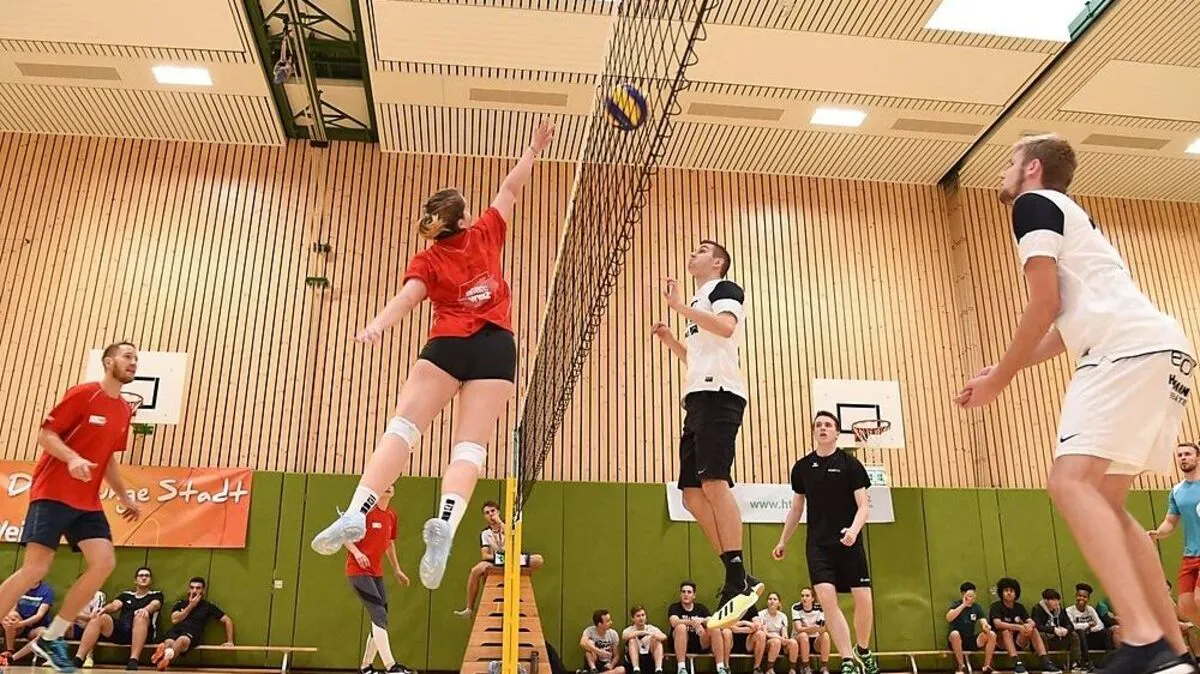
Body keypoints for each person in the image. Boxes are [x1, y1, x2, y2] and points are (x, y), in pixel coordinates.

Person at [955, 133, 1196, 674]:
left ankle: (1142, 639)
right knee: (1107, 501)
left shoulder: (1031, 203)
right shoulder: (1075, 220)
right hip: (1163, 352)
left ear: (1032, 167)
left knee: (1068, 482)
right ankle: (1175, 656)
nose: (1002, 173)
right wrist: (1001, 371)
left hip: (1125, 352)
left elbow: (1045, 304)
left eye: (1008, 163)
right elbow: (1065, 328)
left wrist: (1000, 382)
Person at [310, 122, 557, 593]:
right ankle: (446, 519)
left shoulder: (427, 259)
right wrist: (532, 148)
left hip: (447, 344)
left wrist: (377, 326)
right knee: (469, 448)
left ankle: (358, 511)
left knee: (403, 429)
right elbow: (511, 187)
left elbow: (407, 299)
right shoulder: (485, 231)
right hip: (497, 347)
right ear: (464, 219)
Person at [0, 342, 143, 672]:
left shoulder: (124, 411)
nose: (133, 362)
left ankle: (52, 637)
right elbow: (46, 434)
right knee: (35, 570)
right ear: (109, 362)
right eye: (127, 356)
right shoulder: (83, 394)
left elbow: (108, 460)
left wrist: (124, 496)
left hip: (87, 502)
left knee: (104, 561)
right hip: (52, 492)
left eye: (136, 358)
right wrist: (73, 457)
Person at [652, 240, 762, 628]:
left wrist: (681, 307)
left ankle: (736, 576)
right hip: (697, 398)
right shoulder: (698, 302)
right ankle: (738, 575)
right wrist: (672, 341)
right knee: (691, 494)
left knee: (714, 482)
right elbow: (699, 355)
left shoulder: (724, 290)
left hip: (722, 396)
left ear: (717, 262)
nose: (692, 253)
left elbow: (728, 329)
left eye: (700, 250)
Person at [774, 411, 879, 674]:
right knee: (827, 599)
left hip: (848, 541)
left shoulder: (850, 464)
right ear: (814, 431)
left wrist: (854, 531)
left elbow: (864, 506)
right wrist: (782, 540)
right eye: (818, 425)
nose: (823, 428)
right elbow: (797, 509)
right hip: (818, 546)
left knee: (863, 599)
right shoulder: (802, 468)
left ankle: (862, 649)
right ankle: (846, 658)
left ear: (836, 432)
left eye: (828, 425)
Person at [344, 485, 413, 674]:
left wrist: (397, 570)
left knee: (381, 617)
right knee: (379, 614)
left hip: (376, 573)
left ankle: (366, 667)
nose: (389, 487)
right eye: (385, 484)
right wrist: (357, 553)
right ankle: (391, 666)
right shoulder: (365, 512)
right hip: (358, 572)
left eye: (392, 484)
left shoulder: (391, 515)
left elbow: (389, 543)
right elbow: (344, 535)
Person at [455, 500, 543, 617]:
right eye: (487, 513)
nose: (491, 514)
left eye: (493, 511)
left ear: (499, 512)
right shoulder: (485, 533)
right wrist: (500, 558)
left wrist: (500, 522)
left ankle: (519, 583)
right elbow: (485, 555)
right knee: (476, 570)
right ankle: (469, 608)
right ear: (484, 516)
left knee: (538, 560)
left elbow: (513, 538)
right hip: (498, 561)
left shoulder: (509, 526)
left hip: (513, 559)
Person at [73, 567, 163, 670]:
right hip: (123, 630)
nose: (143, 578)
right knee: (99, 617)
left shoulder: (156, 595)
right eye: (141, 576)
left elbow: (155, 605)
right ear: (135, 580)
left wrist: (145, 609)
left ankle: (133, 660)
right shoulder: (126, 595)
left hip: (143, 632)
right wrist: (103, 609)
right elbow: (114, 606)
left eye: (146, 576)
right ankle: (79, 658)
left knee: (140, 616)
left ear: (151, 580)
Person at [1152, 443, 1200, 632]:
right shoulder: (1177, 491)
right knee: (1186, 605)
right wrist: (1158, 533)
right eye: (1179, 455)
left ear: (1198, 458)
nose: (1183, 458)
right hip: (1190, 555)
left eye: (1187, 454)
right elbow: (1170, 522)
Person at [150, 577, 233, 671]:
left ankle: (164, 656)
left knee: (181, 640)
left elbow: (227, 620)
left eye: (198, 588)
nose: (194, 590)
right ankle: (165, 657)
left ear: (203, 590)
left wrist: (230, 641)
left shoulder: (208, 606)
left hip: (192, 633)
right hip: (177, 629)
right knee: (169, 642)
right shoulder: (181, 603)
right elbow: (174, 620)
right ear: (189, 589)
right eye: (192, 587)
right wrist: (190, 606)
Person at [989, 577, 1055, 674]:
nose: (1009, 593)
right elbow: (997, 624)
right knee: (1006, 631)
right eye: (1006, 590)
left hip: (1018, 641)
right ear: (1001, 593)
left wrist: (1029, 625)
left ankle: (1045, 661)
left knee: (1033, 629)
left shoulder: (1019, 607)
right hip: (1001, 642)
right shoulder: (996, 606)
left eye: (1011, 590)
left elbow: (1031, 621)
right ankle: (1017, 663)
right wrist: (1019, 627)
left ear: (1016, 593)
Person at [667, 582, 726, 674]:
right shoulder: (675, 607)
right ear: (680, 594)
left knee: (715, 628)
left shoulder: (700, 608)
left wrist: (701, 621)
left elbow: (711, 620)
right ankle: (681, 668)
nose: (686, 594)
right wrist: (692, 622)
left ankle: (720, 667)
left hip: (699, 642)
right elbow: (674, 622)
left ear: (694, 595)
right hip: (680, 643)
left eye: (689, 592)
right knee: (681, 627)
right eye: (683, 592)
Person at [946, 582, 996, 674]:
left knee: (992, 634)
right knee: (954, 634)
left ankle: (987, 667)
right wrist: (963, 605)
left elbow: (983, 622)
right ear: (963, 594)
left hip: (970, 640)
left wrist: (986, 627)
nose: (972, 598)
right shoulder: (956, 604)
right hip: (956, 640)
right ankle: (961, 666)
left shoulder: (976, 607)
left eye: (973, 595)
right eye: (969, 595)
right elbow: (949, 618)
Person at [1, 580, 53, 661]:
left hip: (35, 626)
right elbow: (12, 609)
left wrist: (21, 624)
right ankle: (9, 650)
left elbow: (39, 615)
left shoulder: (46, 591)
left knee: (44, 633)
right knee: (11, 617)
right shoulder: (20, 588)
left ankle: (13, 658)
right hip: (19, 624)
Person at [1067, 583, 1107, 672]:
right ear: (1076, 596)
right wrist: (1088, 625)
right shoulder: (1069, 610)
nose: (1081, 598)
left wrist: (1090, 630)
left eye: (1084, 597)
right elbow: (1072, 626)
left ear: (1088, 599)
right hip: (1077, 640)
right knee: (1080, 631)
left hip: (1090, 637)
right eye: (1079, 596)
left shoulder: (1090, 609)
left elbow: (1100, 625)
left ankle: (1109, 659)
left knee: (1106, 632)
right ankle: (1086, 661)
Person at [791, 587, 831, 674]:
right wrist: (813, 628)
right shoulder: (796, 607)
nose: (804, 598)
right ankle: (806, 667)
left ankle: (824, 667)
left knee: (825, 635)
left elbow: (822, 629)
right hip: (800, 640)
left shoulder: (820, 608)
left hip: (815, 641)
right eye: (802, 596)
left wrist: (807, 628)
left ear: (813, 598)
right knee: (803, 635)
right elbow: (798, 629)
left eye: (807, 596)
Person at [757, 593, 799, 674]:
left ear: (779, 603)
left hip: (780, 641)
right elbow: (766, 634)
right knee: (776, 642)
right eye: (770, 599)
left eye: (775, 599)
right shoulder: (761, 614)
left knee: (793, 643)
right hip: (768, 642)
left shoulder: (782, 616)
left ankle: (792, 669)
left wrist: (785, 639)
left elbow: (784, 633)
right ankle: (769, 669)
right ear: (767, 602)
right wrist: (778, 638)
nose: (772, 601)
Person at [1030, 589, 1071, 672]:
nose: (1056, 602)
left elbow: (1070, 624)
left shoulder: (1060, 609)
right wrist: (1053, 629)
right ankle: (1046, 663)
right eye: (1053, 600)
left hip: (1057, 639)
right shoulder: (1037, 609)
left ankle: (1076, 662)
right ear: (1046, 601)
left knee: (1074, 635)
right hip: (1044, 639)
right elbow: (1037, 626)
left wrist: (1066, 629)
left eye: (1057, 600)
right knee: (1041, 635)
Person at [622, 606, 667, 674]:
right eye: (638, 616)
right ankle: (636, 669)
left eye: (643, 615)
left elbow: (664, 636)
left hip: (650, 658)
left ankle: (658, 669)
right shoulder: (629, 630)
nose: (641, 618)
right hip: (636, 659)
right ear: (632, 618)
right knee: (631, 640)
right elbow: (624, 636)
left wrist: (653, 635)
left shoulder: (651, 628)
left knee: (657, 641)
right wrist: (640, 633)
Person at [581, 609, 625, 674]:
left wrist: (611, 665)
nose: (611, 622)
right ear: (600, 624)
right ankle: (593, 669)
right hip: (594, 661)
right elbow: (582, 643)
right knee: (589, 643)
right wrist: (599, 652)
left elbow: (616, 655)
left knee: (622, 670)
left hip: (607, 664)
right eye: (608, 621)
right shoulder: (589, 631)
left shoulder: (613, 634)